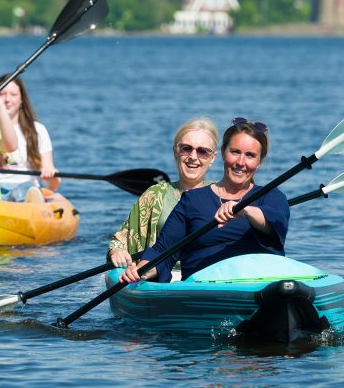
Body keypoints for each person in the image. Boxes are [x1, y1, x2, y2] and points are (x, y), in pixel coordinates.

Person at [119, 118, 288, 284]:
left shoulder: (271, 196)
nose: (241, 162)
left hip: (260, 285)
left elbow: (275, 222)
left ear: (259, 162)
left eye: (250, 155)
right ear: (222, 152)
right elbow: (164, 251)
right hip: (204, 288)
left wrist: (243, 209)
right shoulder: (193, 200)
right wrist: (141, 271)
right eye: (235, 152)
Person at [107, 117, 219, 267]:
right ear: (175, 152)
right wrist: (116, 252)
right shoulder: (154, 195)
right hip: (158, 277)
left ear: (212, 158)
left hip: (208, 277)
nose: (193, 157)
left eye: (202, 151)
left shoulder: (222, 195)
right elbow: (120, 241)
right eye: (186, 148)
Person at [0, 74, 59, 202]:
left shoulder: (37, 130)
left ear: (21, 99)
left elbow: (52, 184)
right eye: (2, 94)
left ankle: (29, 199)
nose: (7, 99)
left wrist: (51, 176)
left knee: (23, 189)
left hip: (26, 191)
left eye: (13, 94)